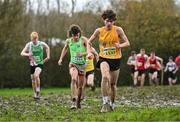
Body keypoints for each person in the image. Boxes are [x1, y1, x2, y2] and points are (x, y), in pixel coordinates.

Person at [87, 10, 130, 112]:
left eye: (111, 21)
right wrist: (89, 53)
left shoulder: (118, 30)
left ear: (114, 21)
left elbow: (127, 42)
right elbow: (89, 42)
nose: (109, 23)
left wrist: (120, 45)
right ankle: (105, 102)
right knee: (105, 76)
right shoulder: (99, 31)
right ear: (104, 20)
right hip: (104, 58)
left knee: (113, 85)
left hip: (115, 59)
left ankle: (112, 103)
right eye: (107, 20)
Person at [58, 24, 87, 109]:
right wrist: (60, 59)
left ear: (79, 34)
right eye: (74, 35)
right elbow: (65, 49)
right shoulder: (68, 41)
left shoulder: (83, 40)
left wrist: (83, 53)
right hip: (73, 64)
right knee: (74, 79)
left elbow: (90, 51)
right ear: (71, 34)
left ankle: (78, 101)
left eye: (77, 35)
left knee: (80, 86)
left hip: (82, 65)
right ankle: (73, 100)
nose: (76, 37)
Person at [21, 31, 50, 99]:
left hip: (40, 63)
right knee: (33, 79)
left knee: (36, 75)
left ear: (37, 38)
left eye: (35, 38)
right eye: (33, 39)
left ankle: (38, 89)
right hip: (32, 64)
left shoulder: (41, 43)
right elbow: (22, 53)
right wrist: (28, 54)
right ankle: (35, 93)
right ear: (31, 38)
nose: (34, 40)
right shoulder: (29, 44)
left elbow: (47, 47)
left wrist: (48, 56)